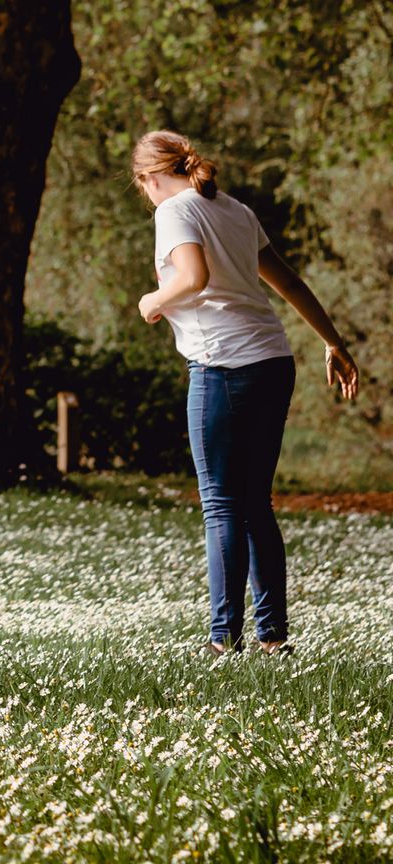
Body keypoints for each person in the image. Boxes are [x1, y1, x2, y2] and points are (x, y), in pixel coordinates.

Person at [132, 131, 360, 657]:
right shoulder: (234, 209)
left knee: (221, 504)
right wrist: (333, 341)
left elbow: (193, 277)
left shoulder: (173, 211)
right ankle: (273, 638)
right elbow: (290, 282)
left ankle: (222, 641)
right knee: (256, 501)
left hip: (223, 368)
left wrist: (152, 300)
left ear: (148, 179)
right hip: (273, 362)